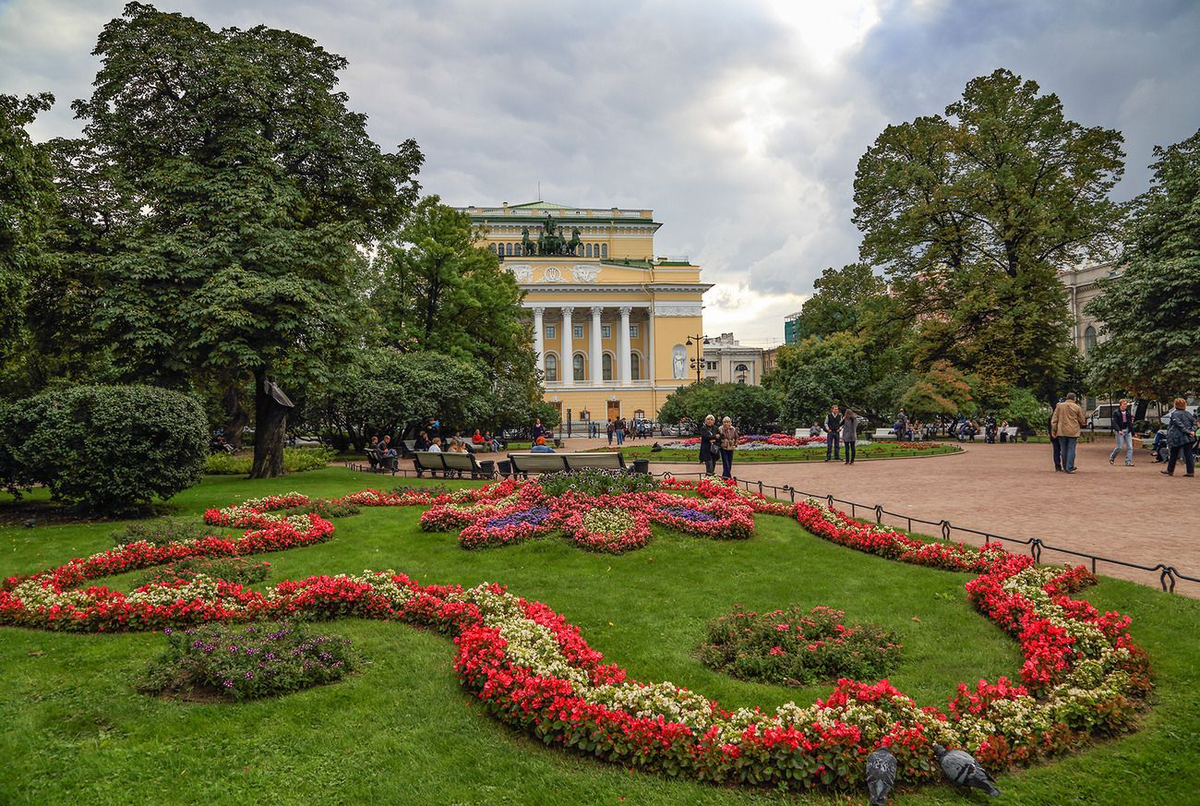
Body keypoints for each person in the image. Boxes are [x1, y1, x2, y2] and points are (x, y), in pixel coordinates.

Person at [1051, 392, 1088, 474]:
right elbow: (1082, 420)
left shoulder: (1059, 406)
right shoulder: (1077, 407)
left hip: (1061, 430)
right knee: (1071, 448)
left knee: (1063, 449)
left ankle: (1065, 466)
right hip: (1073, 430)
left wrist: (1054, 430)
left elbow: (1054, 419)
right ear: (1074, 398)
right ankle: (1070, 467)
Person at [1162, 398, 1197, 477]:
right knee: (1188, 454)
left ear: (1175, 405)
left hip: (1178, 437)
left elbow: (1179, 424)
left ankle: (1170, 470)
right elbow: (1195, 423)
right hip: (1189, 437)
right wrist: (1192, 431)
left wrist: (1188, 431)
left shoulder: (1175, 414)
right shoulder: (1188, 414)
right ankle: (1190, 472)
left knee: (1174, 453)